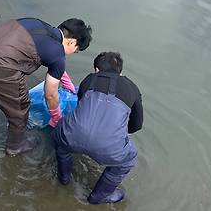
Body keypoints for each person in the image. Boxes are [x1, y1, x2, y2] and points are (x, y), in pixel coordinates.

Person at [0, 17, 92, 156]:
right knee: (20, 109)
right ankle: (15, 147)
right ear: (72, 41)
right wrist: (56, 117)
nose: (73, 52)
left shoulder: (37, 23)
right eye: (76, 49)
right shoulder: (58, 54)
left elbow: (51, 58)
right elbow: (50, 94)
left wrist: (65, 79)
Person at [51, 52, 143, 204]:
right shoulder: (132, 88)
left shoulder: (89, 79)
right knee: (129, 159)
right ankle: (100, 195)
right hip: (109, 147)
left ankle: (64, 177)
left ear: (96, 69)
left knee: (60, 135)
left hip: (72, 135)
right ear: (120, 71)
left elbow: (81, 106)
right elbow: (136, 125)